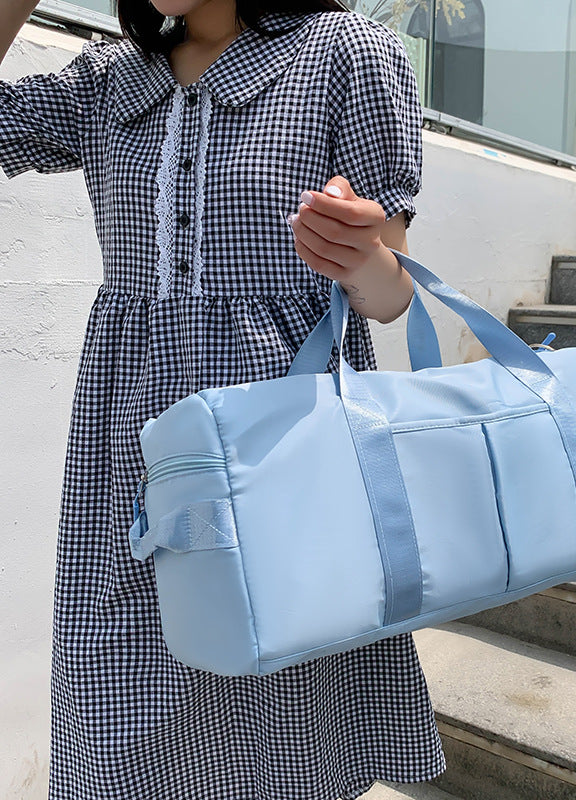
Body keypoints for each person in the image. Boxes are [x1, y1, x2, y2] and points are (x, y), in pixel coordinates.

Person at [0, 0, 447, 796]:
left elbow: (392, 295)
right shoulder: (110, 79)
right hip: (132, 452)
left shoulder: (345, 53)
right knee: (123, 696)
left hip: (287, 442)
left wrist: (356, 256)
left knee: (277, 705)